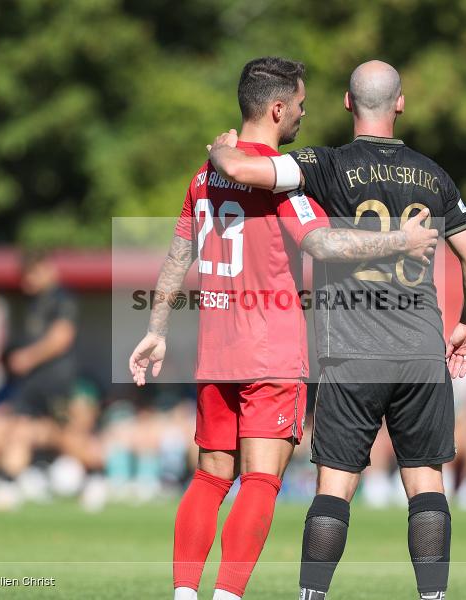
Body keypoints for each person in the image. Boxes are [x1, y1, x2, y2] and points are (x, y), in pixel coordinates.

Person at [128, 57, 438, 600]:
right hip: (270, 351)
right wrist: (402, 242)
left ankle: (184, 594)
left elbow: (178, 254)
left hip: (215, 350)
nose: (302, 114)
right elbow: (322, 243)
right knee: (263, 480)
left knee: (208, 478)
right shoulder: (279, 179)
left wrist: (156, 328)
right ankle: (227, 595)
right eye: (299, 105)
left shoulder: (206, 173)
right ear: (276, 108)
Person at [209, 59, 466, 600]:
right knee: (425, 481)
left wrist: (221, 151)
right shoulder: (434, 175)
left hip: (349, 353)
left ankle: (312, 596)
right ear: (400, 103)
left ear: (346, 102)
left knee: (334, 487)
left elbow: (246, 171)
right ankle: (434, 596)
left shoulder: (326, 163)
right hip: (419, 352)